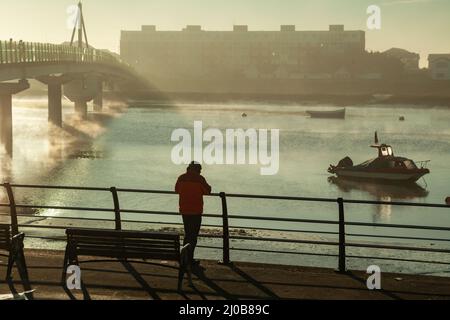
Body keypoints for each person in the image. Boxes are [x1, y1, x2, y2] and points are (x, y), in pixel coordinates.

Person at [175, 161, 211, 267]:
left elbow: (177, 190)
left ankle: (184, 257)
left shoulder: (181, 177)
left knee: (187, 234)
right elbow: (208, 191)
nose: (200, 171)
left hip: (184, 209)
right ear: (197, 169)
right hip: (196, 210)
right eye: (200, 170)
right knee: (193, 236)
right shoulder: (199, 179)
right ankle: (190, 259)